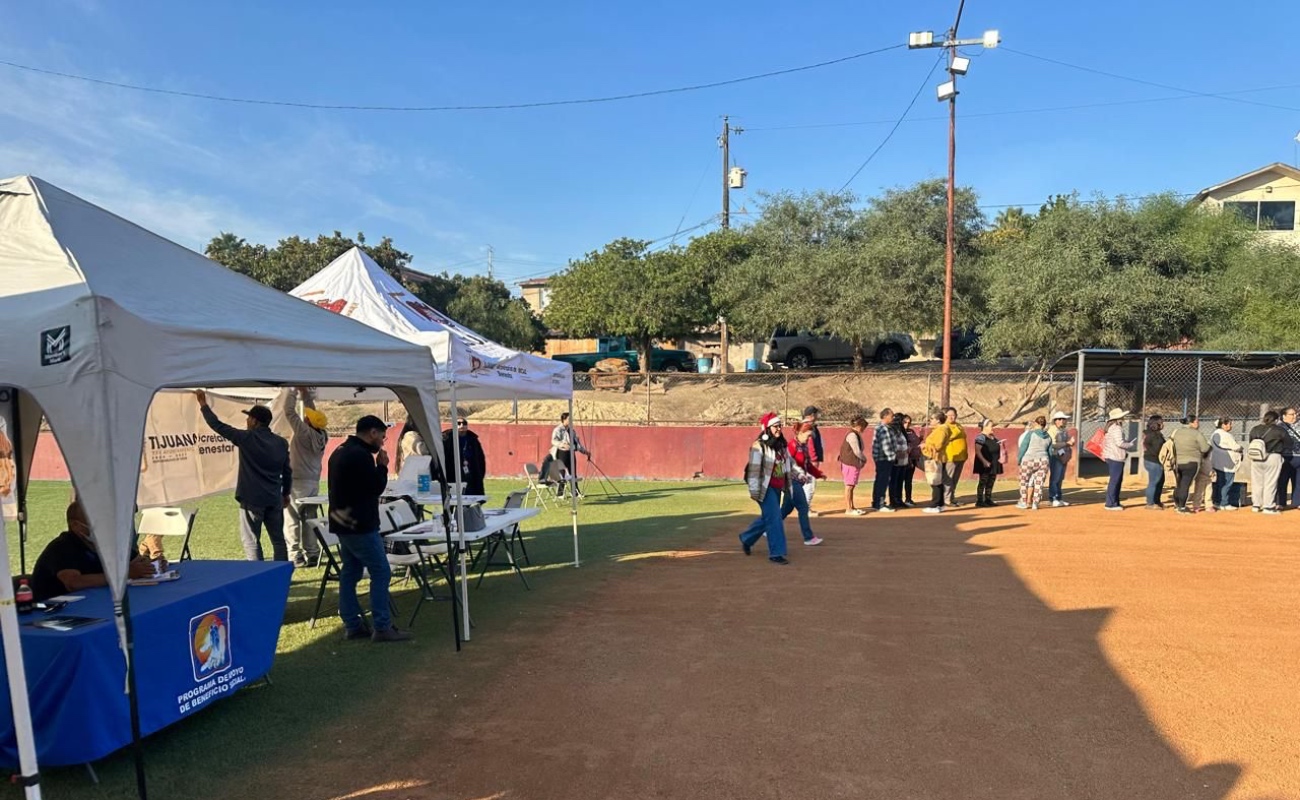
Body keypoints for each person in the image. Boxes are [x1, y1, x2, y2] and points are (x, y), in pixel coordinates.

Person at [328, 415, 410, 642]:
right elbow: (375, 487)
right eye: (382, 437)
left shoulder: (340, 451)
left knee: (350, 572)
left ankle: (352, 625)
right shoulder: (360, 456)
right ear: (372, 433)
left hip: (343, 523)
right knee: (381, 571)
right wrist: (382, 467)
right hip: (360, 525)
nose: (383, 442)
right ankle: (382, 626)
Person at [196, 391, 292, 561]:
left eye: (249, 418)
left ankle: (257, 574)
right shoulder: (281, 442)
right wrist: (286, 494)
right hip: (274, 497)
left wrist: (203, 405)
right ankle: (282, 572)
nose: (246, 421)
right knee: (278, 541)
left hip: (252, 498)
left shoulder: (246, 438)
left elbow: (217, 425)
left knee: (251, 541)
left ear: (255, 421)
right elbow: (287, 471)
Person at [32, 501, 155, 601]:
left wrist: (152, 565)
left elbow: (138, 561)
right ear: (76, 525)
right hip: (55, 611)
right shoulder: (62, 547)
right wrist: (124, 575)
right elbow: (73, 583)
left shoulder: (105, 543)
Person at [739, 413, 806, 565]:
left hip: (777, 487)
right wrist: (754, 492)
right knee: (775, 517)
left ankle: (747, 538)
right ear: (767, 428)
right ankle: (776, 553)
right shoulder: (759, 446)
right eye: (775, 426)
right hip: (764, 488)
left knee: (768, 517)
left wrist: (799, 474)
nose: (779, 429)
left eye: (780, 426)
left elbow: (789, 463)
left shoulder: (781, 445)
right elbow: (754, 470)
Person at [276, 387, 328, 568]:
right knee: (309, 519)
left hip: (296, 481)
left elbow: (289, 412)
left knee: (291, 519)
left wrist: (292, 391)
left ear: (307, 421)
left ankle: (295, 555)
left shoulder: (304, 432)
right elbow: (313, 414)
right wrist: (306, 396)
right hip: (313, 482)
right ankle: (312, 553)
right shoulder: (323, 436)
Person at [781, 421, 824, 546]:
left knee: (785, 509)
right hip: (792, 482)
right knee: (803, 508)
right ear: (800, 433)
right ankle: (808, 537)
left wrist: (818, 474)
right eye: (808, 435)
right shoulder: (792, 446)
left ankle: (765, 528)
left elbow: (807, 464)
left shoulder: (803, 446)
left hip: (798, 482)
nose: (809, 438)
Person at [1168, 416, 1211, 514]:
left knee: (1179, 484)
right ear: (1192, 423)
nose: (1198, 424)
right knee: (1185, 484)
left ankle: (1177, 504)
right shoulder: (1197, 434)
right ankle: (1182, 507)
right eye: (1197, 422)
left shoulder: (1177, 432)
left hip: (1177, 462)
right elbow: (1205, 448)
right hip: (1192, 462)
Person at [1249, 411, 1287, 514]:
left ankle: (1256, 505)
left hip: (1256, 456)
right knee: (1270, 482)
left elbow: (1250, 441)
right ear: (1276, 420)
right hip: (1273, 456)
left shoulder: (1255, 429)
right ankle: (1268, 506)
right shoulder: (1279, 430)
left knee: (1257, 482)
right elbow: (1288, 443)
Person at [1102, 408, 1137, 511]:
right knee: (1115, 480)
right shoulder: (1116, 428)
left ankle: (1114, 502)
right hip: (1116, 456)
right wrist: (1129, 444)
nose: (1123, 418)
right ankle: (1110, 503)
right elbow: (1120, 443)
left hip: (1112, 456)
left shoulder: (1111, 427)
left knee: (1116, 480)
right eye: (1122, 416)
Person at [443, 416, 487, 496]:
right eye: (458, 423)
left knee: (471, 495)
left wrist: (480, 474)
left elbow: (480, 458)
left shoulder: (472, 439)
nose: (462, 425)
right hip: (453, 473)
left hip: (470, 474)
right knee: (455, 496)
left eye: (464, 423)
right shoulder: (447, 438)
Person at [1017, 417, 1053, 510]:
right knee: (1039, 482)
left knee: (1023, 481)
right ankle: (1035, 503)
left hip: (1029, 459)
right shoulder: (1048, 437)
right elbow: (1050, 452)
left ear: (1037, 424)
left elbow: (1023, 447)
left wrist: (1019, 459)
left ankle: (1024, 502)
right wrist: (1049, 463)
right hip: (1043, 460)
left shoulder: (1031, 434)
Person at [550, 412, 588, 499]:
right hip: (561, 453)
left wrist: (585, 452)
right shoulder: (558, 430)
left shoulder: (572, 431)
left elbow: (577, 444)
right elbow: (554, 441)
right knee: (562, 473)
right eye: (569, 419)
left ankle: (575, 492)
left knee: (573, 473)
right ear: (564, 420)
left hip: (571, 453)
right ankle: (560, 493)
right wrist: (562, 444)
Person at [1210, 417, 1244, 511]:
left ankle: (1217, 501)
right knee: (1227, 483)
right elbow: (1235, 446)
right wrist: (1241, 448)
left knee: (1220, 482)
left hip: (1217, 462)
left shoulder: (1214, 434)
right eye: (1229, 424)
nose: (1231, 426)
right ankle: (1224, 503)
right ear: (1223, 425)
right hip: (1227, 462)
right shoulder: (1226, 435)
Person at [921, 412, 951, 514]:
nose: (930, 420)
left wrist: (925, 446)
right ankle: (940, 504)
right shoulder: (940, 429)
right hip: (937, 457)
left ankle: (935, 504)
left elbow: (938, 445)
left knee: (934, 481)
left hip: (935, 457)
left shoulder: (941, 430)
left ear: (938, 420)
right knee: (938, 481)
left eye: (932, 418)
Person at [838, 416, 868, 515]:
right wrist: (864, 459)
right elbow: (857, 451)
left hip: (852, 463)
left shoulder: (855, 434)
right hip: (850, 463)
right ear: (859, 426)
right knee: (849, 486)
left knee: (851, 486)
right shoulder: (852, 435)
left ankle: (852, 507)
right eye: (863, 427)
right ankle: (848, 509)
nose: (864, 429)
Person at [871, 408, 898, 512]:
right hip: (884, 459)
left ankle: (877, 502)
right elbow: (886, 446)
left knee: (880, 480)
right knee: (882, 481)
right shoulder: (883, 429)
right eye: (891, 415)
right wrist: (893, 458)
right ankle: (880, 504)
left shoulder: (884, 427)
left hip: (881, 458)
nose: (893, 418)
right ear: (885, 416)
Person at [972, 419, 1003, 507]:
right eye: (991, 426)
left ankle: (988, 499)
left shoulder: (993, 437)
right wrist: (984, 461)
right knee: (983, 481)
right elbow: (978, 451)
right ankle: (979, 501)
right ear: (985, 427)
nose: (993, 428)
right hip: (985, 463)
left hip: (994, 463)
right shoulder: (981, 437)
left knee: (991, 481)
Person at [942, 407, 969, 507]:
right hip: (951, 457)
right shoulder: (944, 426)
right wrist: (957, 430)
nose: (952, 417)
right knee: (948, 479)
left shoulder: (958, 425)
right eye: (949, 415)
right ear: (945, 416)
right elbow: (949, 436)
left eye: (953, 415)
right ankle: (946, 499)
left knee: (955, 479)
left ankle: (952, 498)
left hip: (961, 457)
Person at [1047, 411, 1075, 507]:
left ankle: (1059, 498)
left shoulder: (1064, 430)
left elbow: (1068, 441)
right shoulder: (1052, 430)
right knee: (1055, 478)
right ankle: (1053, 498)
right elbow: (1053, 444)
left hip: (1063, 456)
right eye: (1060, 419)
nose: (1063, 421)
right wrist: (1067, 443)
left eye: (1064, 419)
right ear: (1055, 421)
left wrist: (1070, 442)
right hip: (1055, 456)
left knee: (1060, 478)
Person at [801, 406, 825, 516]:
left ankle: (804, 507)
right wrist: (814, 458)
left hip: (805, 459)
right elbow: (810, 444)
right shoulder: (808, 426)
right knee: (810, 485)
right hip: (809, 460)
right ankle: (806, 509)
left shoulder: (806, 426)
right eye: (816, 414)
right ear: (811, 415)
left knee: (807, 484)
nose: (817, 416)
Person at [1276, 407, 1300, 509]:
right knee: (1282, 480)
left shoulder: (1298, 425)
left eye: (1295, 414)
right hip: (1285, 457)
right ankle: (1281, 502)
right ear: (1284, 416)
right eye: (1291, 414)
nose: (1295, 416)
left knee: (1298, 482)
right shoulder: (1279, 427)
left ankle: (1297, 502)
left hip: (1298, 457)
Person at [1142, 415, 1167, 510]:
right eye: (1161, 422)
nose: (1163, 424)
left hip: (1154, 460)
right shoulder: (1153, 435)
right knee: (1154, 482)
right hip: (1153, 460)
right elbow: (1157, 449)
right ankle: (1150, 503)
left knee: (1160, 481)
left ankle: (1156, 501)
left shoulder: (1154, 434)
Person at [888, 412, 910, 509]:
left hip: (903, 460)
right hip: (895, 460)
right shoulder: (892, 430)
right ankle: (892, 501)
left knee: (900, 481)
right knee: (894, 481)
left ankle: (899, 500)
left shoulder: (901, 431)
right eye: (903, 421)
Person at [901, 414, 921, 507]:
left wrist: (920, 438)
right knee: (899, 480)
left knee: (908, 480)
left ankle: (908, 499)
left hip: (912, 460)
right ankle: (897, 499)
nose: (907, 424)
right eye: (905, 422)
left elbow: (916, 443)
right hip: (902, 460)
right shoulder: (899, 432)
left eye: (909, 423)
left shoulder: (911, 431)